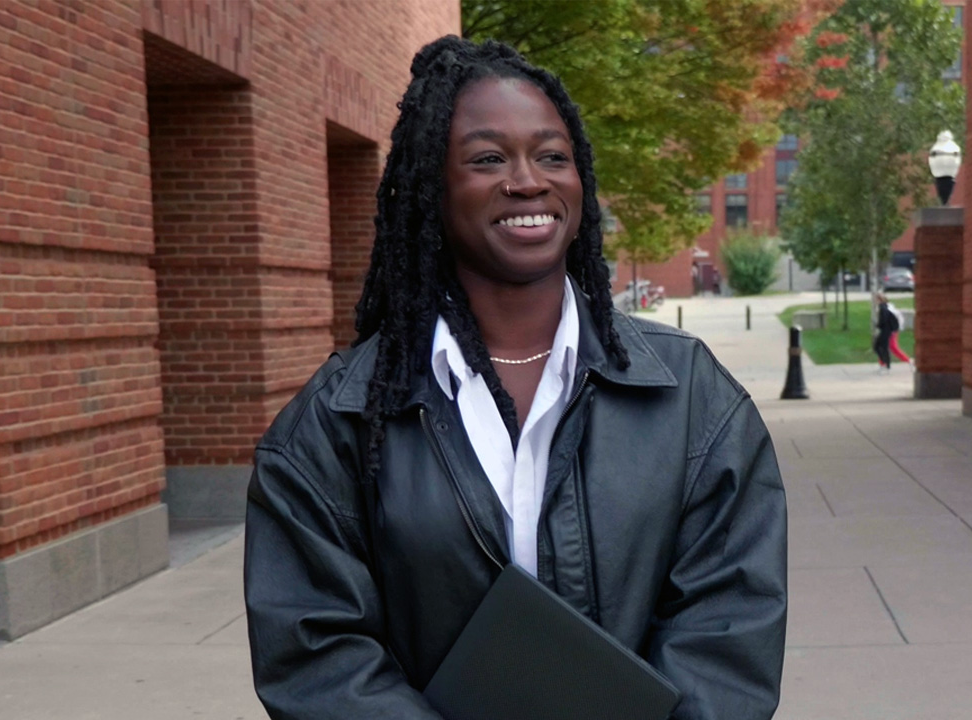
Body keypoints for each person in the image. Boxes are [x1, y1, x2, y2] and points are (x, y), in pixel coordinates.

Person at [243, 36, 787, 720]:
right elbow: (317, 654)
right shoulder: (336, 422)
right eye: (487, 158)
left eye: (552, 156)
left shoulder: (690, 398)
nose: (528, 180)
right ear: (430, 187)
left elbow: (728, 626)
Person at [873, 292, 912, 372]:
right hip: (892, 329)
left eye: (876, 299)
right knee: (885, 347)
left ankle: (908, 361)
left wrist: (878, 326)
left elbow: (884, 320)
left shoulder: (883, 308)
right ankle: (883, 363)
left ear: (879, 299)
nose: (875, 300)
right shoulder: (889, 306)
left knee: (890, 347)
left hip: (890, 330)